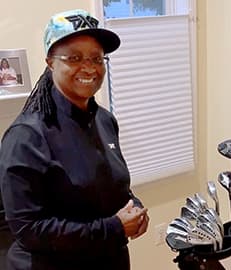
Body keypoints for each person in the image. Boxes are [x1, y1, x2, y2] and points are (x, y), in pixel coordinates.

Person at [0, 9, 149, 270]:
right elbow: (29, 229)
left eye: (97, 58)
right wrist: (113, 227)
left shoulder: (104, 121)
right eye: (75, 58)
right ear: (50, 62)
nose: (89, 67)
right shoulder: (27, 136)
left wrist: (133, 207)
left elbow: (112, 187)